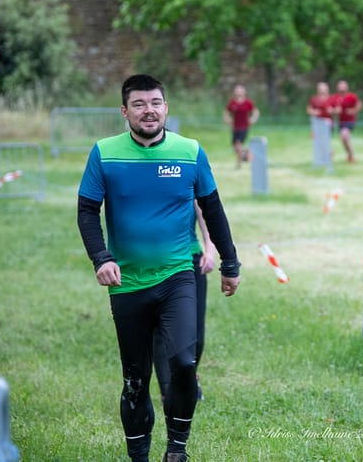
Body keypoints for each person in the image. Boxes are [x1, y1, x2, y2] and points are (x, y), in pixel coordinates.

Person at [77, 74, 241, 462]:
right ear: (124, 111)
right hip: (127, 282)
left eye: (155, 103)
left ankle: (176, 451)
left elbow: (213, 209)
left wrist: (230, 263)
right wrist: (102, 258)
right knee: (136, 380)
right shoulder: (105, 153)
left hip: (176, 276)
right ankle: (139, 456)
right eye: (139, 104)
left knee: (184, 363)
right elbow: (87, 211)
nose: (148, 110)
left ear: (166, 108)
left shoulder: (190, 152)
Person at [153, 204, 216, 405]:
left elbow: (205, 210)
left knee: (195, 335)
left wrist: (209, 250)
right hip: (152, 259)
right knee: (161, 331)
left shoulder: (189, 171)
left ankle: (189, 377)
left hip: (190, 258)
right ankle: (168, 393)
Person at [223, 84, 259, 168]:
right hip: (235, 128)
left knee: (238, 145)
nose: (238, 93)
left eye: (240, 91)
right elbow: (226, 112)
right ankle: (248, 153)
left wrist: (253, 119)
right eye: (236, 91)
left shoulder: (247, 102)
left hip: (244, 127)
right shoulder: (232, 103)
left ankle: (238, 164)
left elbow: (255, 111)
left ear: (243, 92)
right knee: (234, 147)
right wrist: (227, 119)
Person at [330, 79, 363, 162]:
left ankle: (351, 155)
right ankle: (350, 155)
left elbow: (359, 104)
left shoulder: (351, 96)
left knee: (344, 136)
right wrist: (335, 111)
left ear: (347, 88)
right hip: (341, 122)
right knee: (344, 138)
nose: (342, 90)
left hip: (350, 121)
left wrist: (353, 111)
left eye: (343, 88)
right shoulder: (335, 97)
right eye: (340, 88)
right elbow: (330, 108)